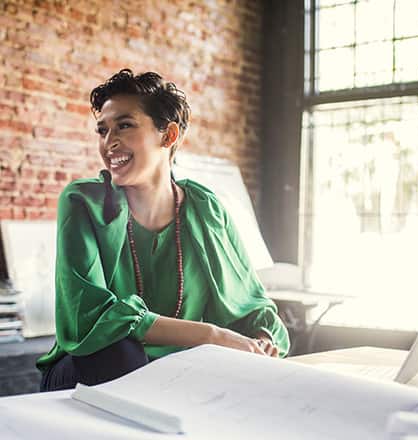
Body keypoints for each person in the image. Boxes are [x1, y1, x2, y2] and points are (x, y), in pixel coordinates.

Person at [36, 69, 290, 392]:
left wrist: (261, 342)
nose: (108, 142)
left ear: (168, 136)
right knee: (122, 351)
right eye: (102, 130)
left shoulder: (206, 209)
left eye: (124, 126)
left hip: (175, 378)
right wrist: (210, 335)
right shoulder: (82, 202)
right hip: (89, 371)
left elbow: (253, 307)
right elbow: (90, 317)